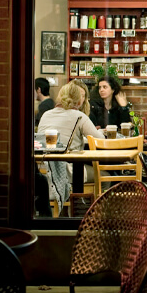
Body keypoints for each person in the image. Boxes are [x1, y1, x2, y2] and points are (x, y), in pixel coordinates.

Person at [38, 81, 105, 216]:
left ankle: (65, 213)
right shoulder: (78, 116)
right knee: (105, 176)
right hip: (68, 170)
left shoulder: (46, 114)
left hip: (45, 171)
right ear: (79, 101)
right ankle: (91, 216)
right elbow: (100, 142)